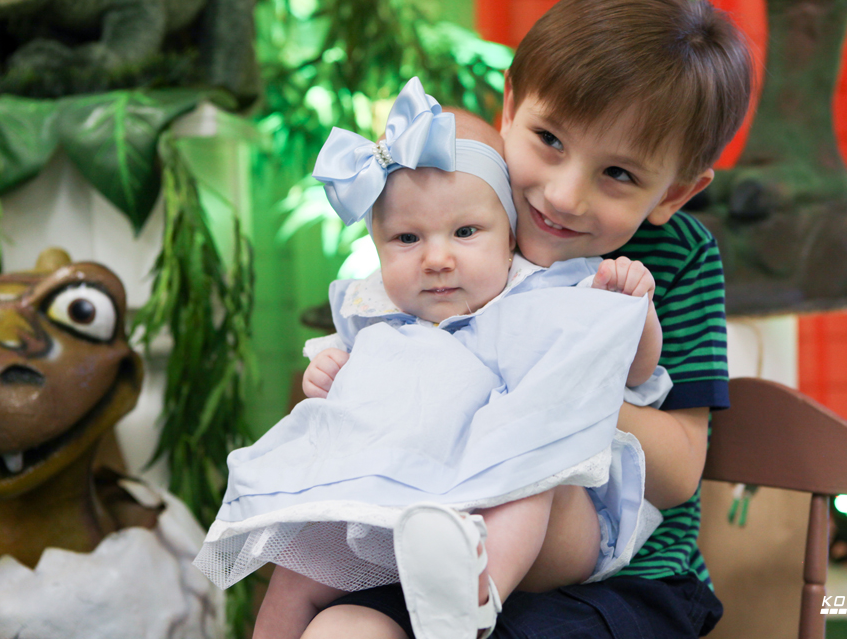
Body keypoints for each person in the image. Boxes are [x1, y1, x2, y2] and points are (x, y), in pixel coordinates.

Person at [305, 0, 753, 639]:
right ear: (512, 104)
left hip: (625, 580)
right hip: (445, 546)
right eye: (549, 138)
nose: (564, 195)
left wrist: (528, 388)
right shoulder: (460, 217)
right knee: (342, 627)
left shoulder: (673, 259)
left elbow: (679, 473)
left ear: (675, 192)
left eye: (619, 174)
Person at [193, 78, 671, 639]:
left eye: (465, 232)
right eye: (406, 239)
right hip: (412, 506)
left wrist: (634, 309)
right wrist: (332, 376)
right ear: (375, 244)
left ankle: (475, 595)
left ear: (510, 236)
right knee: (299, 570)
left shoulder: (544, 291)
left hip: (548, 527)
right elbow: (354, 389)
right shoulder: (378, 313)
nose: (437, 258)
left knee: (526, 461)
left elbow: (635, 372)